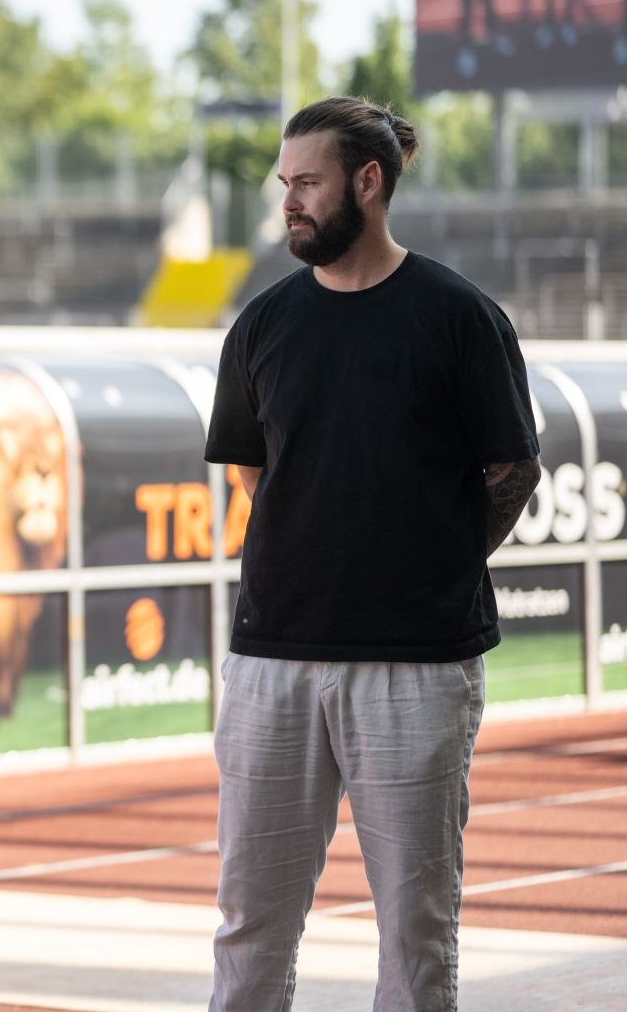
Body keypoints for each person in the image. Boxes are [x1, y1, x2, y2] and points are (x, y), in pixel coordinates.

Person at [204, 97, 541, 1011]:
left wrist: (435, 563)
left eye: (307, 183)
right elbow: (252, 471)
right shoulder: (262, 325)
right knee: (249, 924)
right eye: (284, 184)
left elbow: (513, 467)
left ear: (368, 181)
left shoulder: (460, 317)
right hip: (273, 659)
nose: (289, 202)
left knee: (415, 932)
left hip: (418, 665)